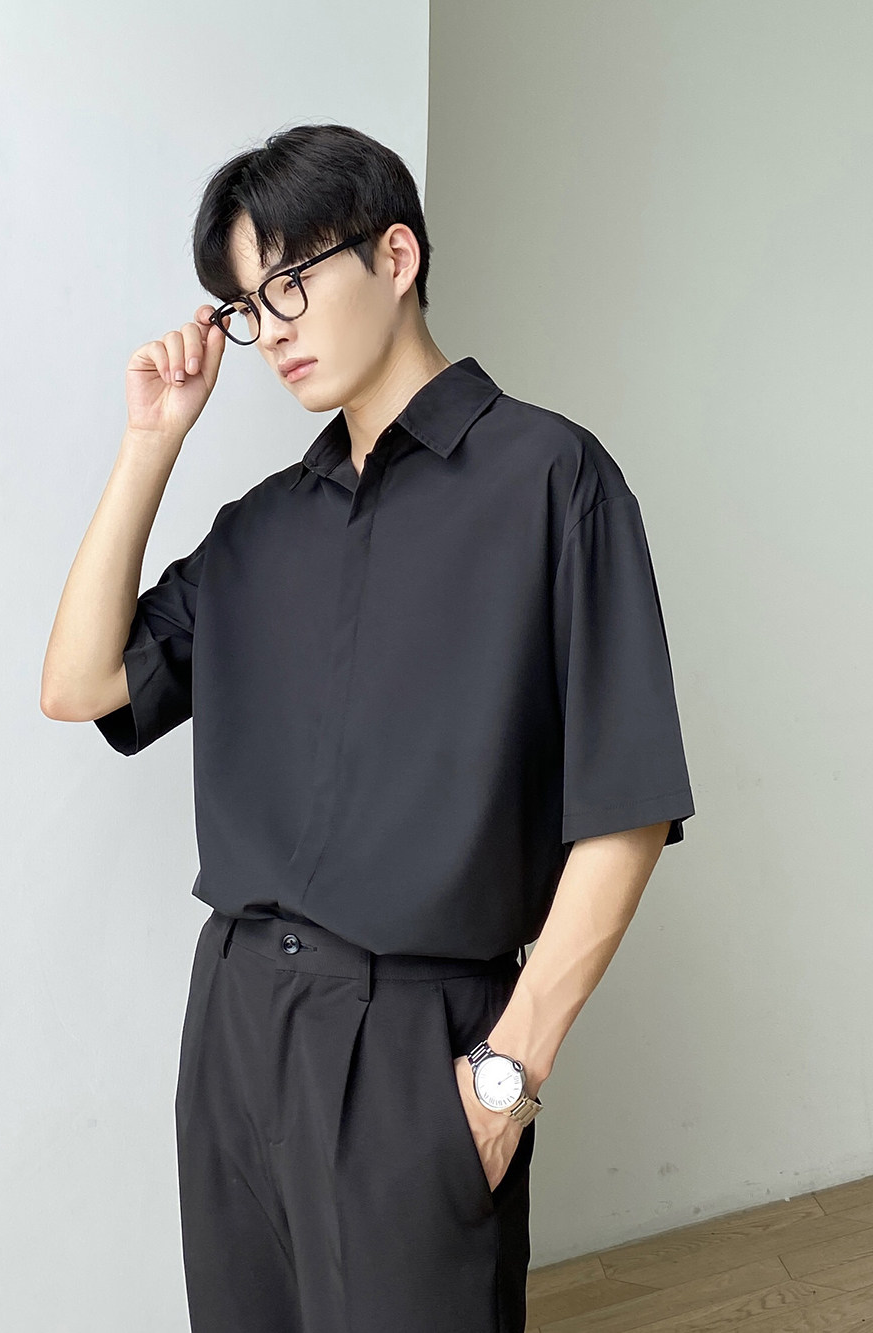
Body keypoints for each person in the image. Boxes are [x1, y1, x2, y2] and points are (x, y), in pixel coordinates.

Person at [40, 122, 695, 1333]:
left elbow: (628, 808)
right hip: (235, 1023)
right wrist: (149, 445)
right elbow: (80, 686)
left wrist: (506, 1076)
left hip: (415, 1041)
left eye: (290, 280)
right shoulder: (258, 529)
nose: (271, 326)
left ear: (395, 256)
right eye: (249, 304)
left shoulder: (551, 479)